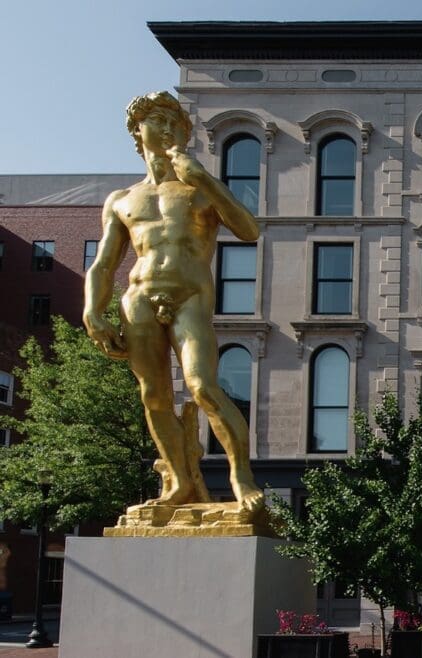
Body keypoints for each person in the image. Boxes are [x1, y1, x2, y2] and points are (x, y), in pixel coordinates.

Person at [83, 91, 264, 515]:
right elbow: (103, 265)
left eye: (175, 124)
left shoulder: (199, 188)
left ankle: (241, 477)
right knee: (155, 397)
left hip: (190, 296)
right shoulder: (122, 200)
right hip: (139, 297)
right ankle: (181, 481)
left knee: (202, 386)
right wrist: (93, 311)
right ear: (137, 130)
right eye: (159, 120)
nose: (168, 129)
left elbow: (249, 229)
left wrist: (203, 179)